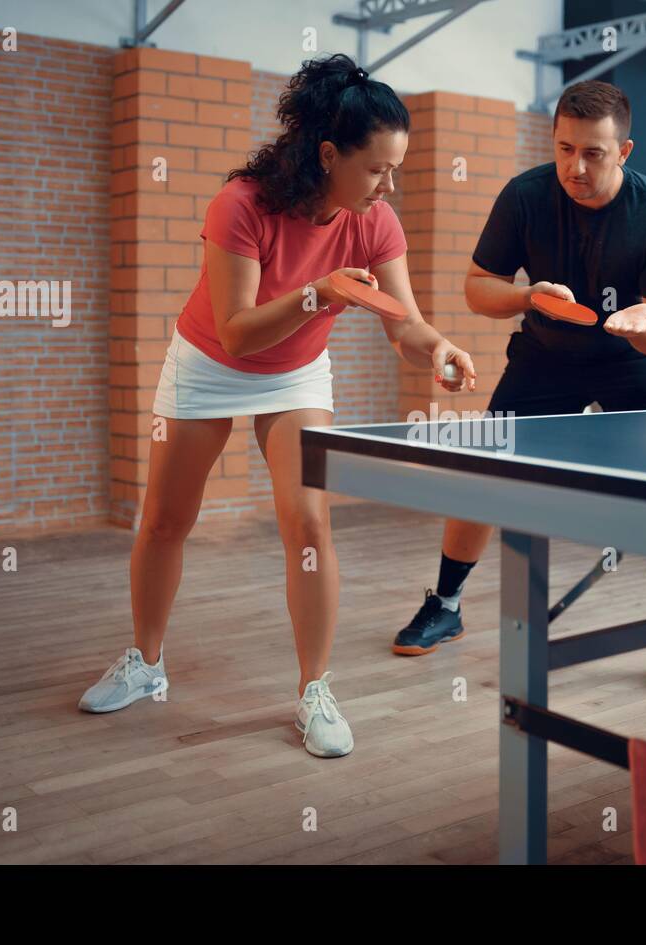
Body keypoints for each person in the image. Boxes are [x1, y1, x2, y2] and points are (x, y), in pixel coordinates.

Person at [79, 54, 478, 755]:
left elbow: (402, 324)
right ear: (329, 154)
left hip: (295, 375)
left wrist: (439, 347)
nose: (388, 185)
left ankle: (315, 689)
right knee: (167, 521)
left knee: (310, 527)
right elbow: (235, 330)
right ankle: (145, 664)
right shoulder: (241, 205)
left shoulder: (373, 221)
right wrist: (318, 294)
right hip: (208, 364)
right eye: (378, 169)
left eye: (396, 169)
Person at [391, 79, 646, 704]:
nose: (576, 166)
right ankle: (447, 603)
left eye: (593, 153)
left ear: (624, 151)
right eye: (565, 148)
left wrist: (644, 326)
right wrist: (526, 296)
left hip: (631, 362)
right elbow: (478, 286)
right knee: (486, 469)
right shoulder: (526, 196)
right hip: (546, 353)